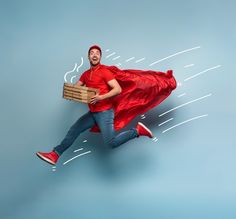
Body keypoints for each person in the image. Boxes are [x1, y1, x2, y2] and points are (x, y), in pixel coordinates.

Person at [36, 45, 154, 165]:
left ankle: (137, 131)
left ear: (100, 56)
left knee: (111, 143)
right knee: (74, 130)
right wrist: (71, 93)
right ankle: (55, 154)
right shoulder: (86, 74)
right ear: (88, 57)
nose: (94, 55)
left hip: (105, 113)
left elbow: (117, 89)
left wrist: (101, 97)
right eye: (92, 53)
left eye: (97, 53)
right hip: (93, 113)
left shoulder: (105, 72)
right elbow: (76, 88)